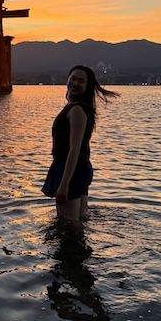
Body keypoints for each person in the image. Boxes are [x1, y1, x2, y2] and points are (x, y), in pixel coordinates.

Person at [42, 65, 119, 220]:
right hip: (78, 168)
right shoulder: (77, 107)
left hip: (71, 170)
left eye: (81, 81)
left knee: (68, 225)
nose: (75, 83)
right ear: (67, 79)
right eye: (73, 78)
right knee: (80, 220)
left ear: (87, 87)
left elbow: (74, 149)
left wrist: (64, 184)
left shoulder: (77, 110)